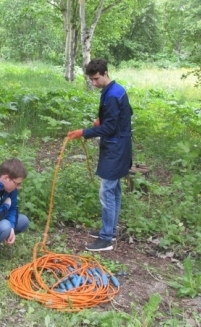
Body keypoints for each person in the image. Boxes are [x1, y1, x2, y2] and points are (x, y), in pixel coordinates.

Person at [67, 58, 133, 252]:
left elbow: (110, 128)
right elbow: (126, 112)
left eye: (96, 79)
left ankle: (106, 239)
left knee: (107, 192)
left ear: (105, 73)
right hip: (119, 146)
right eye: (91, 80)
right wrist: (102, 119)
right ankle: (110, 230)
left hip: (116, 149)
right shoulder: (116, 90)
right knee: (115, 190)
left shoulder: (113, 94)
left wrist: (84, 132)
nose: (94, 83)